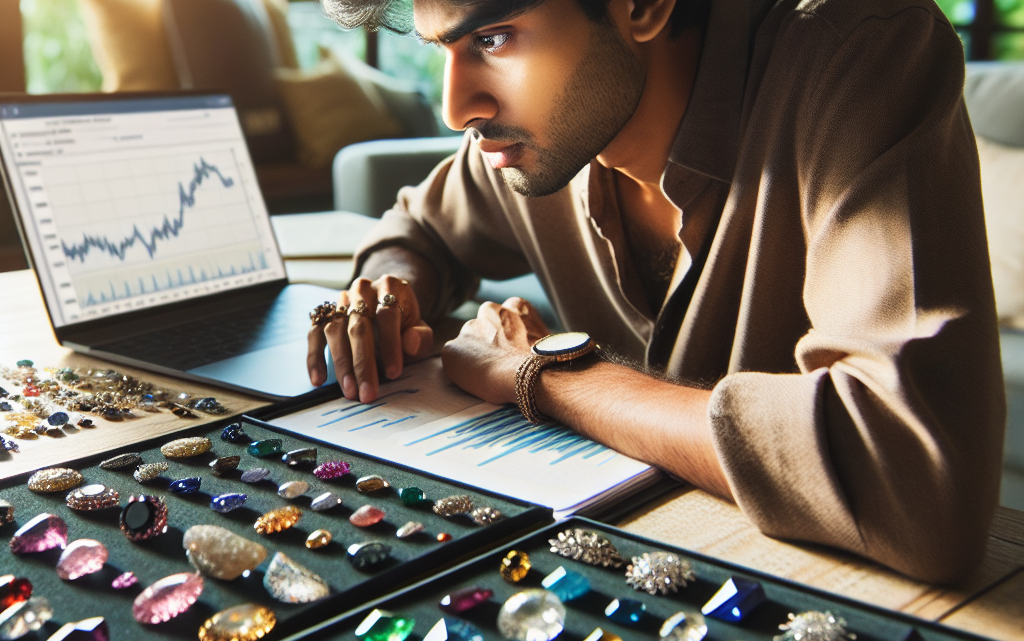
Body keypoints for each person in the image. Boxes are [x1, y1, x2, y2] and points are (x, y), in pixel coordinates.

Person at [307, 0, 1005, 584]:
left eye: (493, 38)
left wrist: (543, 373)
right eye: (443, 48)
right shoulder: (535, 137)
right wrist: (387, 287)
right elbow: (418, 227)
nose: (459, 105)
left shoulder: (861, 53)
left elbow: (918, 482)